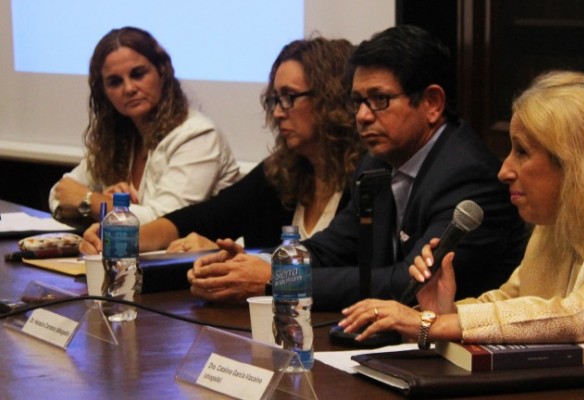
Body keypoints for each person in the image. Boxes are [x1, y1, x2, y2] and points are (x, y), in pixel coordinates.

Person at [338, 71, 584, 399]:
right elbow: (517, 300)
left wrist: (428, 325)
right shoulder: (562, 217)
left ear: (574, 161)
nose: (504, 170)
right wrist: (445, 309)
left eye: (522, 151)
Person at [184, 25, 527, 311]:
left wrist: (279, 280)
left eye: (379, 100)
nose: (362, 116)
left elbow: (411, 282)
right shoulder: (376, 162)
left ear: (432, 103)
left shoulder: (469, 176)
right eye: (357, 102)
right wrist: (261, 264)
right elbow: (333, 246)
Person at [81, 37, 366, 254]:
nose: (278, 112)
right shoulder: (281, 172)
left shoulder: (369, 177)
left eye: (290, 97)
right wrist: (123, 236)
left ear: (332, 99)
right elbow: (205, 217)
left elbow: (347, 267)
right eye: (275, 100)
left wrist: (245, 260)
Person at [50, 26, 240, 225]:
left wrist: (91, 201)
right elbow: (59, 193)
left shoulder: (197, 134)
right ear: (104, 93)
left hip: (203, 254)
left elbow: (164, 222)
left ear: (162, 73)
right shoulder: (119, 138)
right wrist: (99, 202)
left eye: (138, 74)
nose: (129, 88)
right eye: (115, 82)